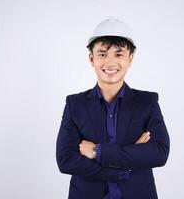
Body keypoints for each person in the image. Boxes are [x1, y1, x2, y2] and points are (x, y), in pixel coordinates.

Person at [56, 17, 170, 199]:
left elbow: (159, 153)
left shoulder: (147, 102)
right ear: (91, 59)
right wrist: (124, 167)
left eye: (118, 54)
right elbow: (66, 161)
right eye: (102, 54)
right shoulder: (74, 104)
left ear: (130, 58)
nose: (110, 62)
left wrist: (97, 152)